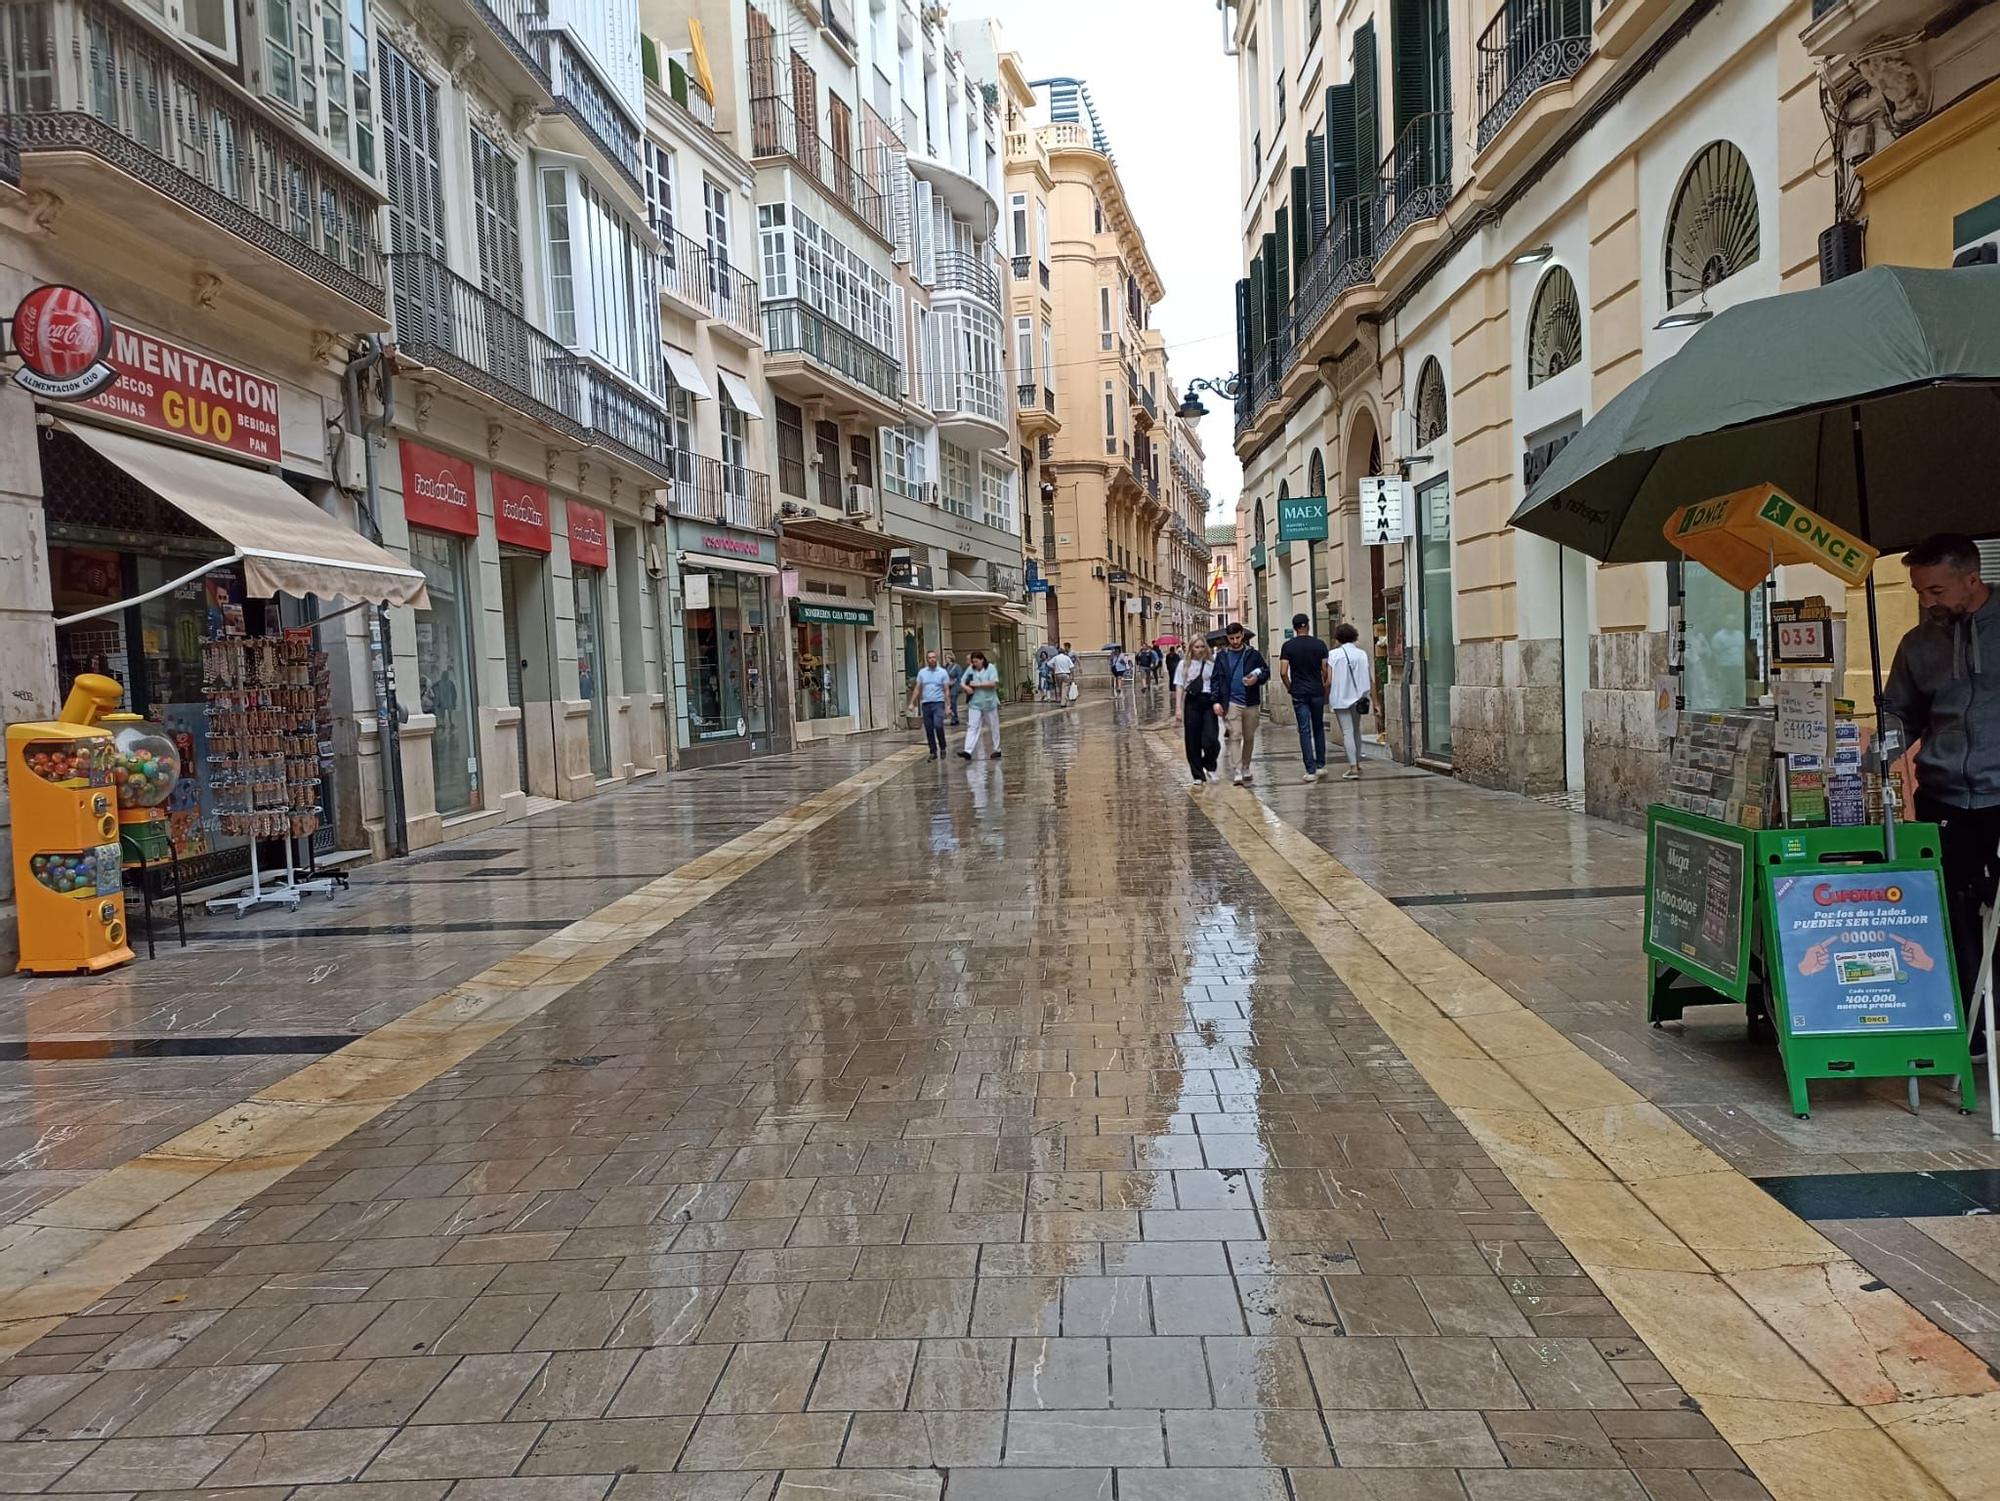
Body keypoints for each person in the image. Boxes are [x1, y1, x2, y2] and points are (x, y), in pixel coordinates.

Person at [1883, 532, 2000, 1051]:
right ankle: (1970, 1023)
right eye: (1918, 593)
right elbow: (1900, 712)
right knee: (1950, 910)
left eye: (1935, 591)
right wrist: (1867, 756)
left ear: (1971, 580)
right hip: (1944, 797)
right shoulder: (1918, 643)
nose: (1926, 603)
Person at [1213, 622, 1269, 785]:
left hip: (1251, 702)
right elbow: (1216, 679)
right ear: (1228, 638)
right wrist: (1216, 701)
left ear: (1242, 635)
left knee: (1249, 736)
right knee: (1234, 735)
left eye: (1237, 637)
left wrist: (1256, 678)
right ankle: (1237, 769)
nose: (1235, 641)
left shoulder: (1253, 654)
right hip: (1231, 701)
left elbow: (1265, 671)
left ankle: (1246, 766)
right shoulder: (1222, 657)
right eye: (1232, 638)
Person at [1279, 613, 1333, 782]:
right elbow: (1325, 669)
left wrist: (1290, 688)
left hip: (1299, 692)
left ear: (1295, 628)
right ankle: (1320, 764)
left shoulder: (1288, 646)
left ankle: (1310, 769)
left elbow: (1282, 672)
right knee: (1318, 727)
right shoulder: (1319, 644)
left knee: (1304, 730)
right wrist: (1324, 686)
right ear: (1307, 626)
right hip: (1316, 690)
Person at [1329, 621, 1373, 781]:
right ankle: (1357, 763)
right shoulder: (1362, 654)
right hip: (1359, 697)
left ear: (1338, 638)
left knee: (1347, 732)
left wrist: (1325, 694)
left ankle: (1353, 767)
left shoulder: (1333, 655)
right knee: (1356, 730)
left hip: (1341, 698)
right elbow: (1369, 677)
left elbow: (1329, 678)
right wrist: (1375, 699)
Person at [1175, 639, 1220, 783]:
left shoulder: (1211, 664)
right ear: (1191, 648)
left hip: (1208, 701)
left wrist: (1217, 702)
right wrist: (1178, 708)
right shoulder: (1183, 665)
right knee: (1192, 739)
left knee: (1211, 739)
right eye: (1196, 647)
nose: (1199, 650)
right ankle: (1197, 774)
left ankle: (1209, 764)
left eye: (1202, 646)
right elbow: (1180, 686)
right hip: (1192, 702)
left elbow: (1216, 684)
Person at [958, 650, 1003, 759]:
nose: (974, 664)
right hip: (975, 703)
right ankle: (967, 751)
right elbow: (962, 681)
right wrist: (966, 687)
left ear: (982, 660)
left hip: (989, 703)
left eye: (976, 661)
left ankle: (997, 749)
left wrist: (978, 684)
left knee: (993, 727)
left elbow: (994, 683)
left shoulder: (990, 668)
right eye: (973, 662)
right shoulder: (970, 669)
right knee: (972, 727)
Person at [908, 649, 951, 760]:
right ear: (927, 660)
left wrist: (947, 706)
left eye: (933, 657)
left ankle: (942, 747)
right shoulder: (922, 673)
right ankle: (933, 751)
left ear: (936, 658)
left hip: (938, 703)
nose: (932, 659)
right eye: (929, 658)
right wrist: (912, 702)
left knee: (938, 725)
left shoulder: (942, 672)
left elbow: (946, 690)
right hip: (926, 704)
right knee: (928, 728)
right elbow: (917, 688)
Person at [943, 651, 963, 727]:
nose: (947, 659)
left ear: (951, 658)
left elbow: (959, 677)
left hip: (955, 686)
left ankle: (954, 718)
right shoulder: (945, 667)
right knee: (949, 702)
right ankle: (953, 716)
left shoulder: (957, 666)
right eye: (946, 658)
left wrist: (956, 683)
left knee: (953, 701)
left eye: (948, 657)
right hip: (948, 686)